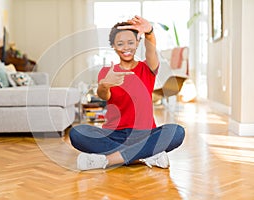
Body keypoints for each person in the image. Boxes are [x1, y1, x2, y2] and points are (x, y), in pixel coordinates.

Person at [69, 15, 185, 171]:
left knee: (177, 132)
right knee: (77, 133)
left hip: (144, 135)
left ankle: (108, 160)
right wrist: (105, 84)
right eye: (120, 43)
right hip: (113, 135)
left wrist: (149, 32)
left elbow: (151, 51)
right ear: (113, 46)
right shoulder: (106, 72)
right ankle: (145, 154)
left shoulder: (147, 68)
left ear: (137, 43)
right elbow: (104, 95)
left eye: (131, 42)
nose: (126, 47)